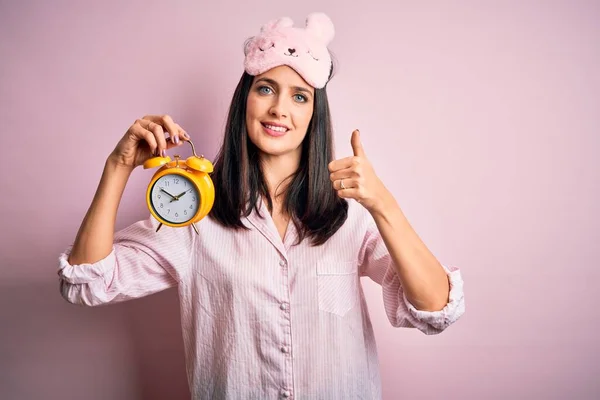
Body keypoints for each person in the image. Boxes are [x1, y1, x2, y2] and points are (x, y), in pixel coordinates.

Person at [58, 12, 465, 399]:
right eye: (266, 88)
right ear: (245, 100)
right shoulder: (195, 217)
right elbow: (86, 282)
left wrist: (384, 205)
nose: (279, 109)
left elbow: (435, 308)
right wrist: (118, 166)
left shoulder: (351, 214)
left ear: (314, 115)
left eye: (300, 96)